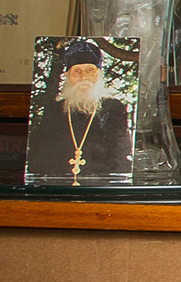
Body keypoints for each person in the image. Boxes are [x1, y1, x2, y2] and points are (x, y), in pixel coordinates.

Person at [25, 39, 133, 182]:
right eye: (77, 71)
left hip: (100, 185)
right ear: (67, 76)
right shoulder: (54, 110)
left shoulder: (113, 108)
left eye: (90, 70)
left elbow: (121, 155)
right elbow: (41, 155)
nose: (84, 77)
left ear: (99, 74)